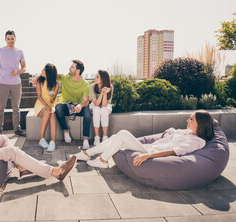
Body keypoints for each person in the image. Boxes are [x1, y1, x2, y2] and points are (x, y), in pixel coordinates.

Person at [73, 110, 214, 168]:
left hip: (151, 153)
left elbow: (174, 151)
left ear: (200, 124)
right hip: (150, 148)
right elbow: (174, 131)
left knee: (122, 134)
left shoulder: (197, 141)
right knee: (116, 137)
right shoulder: (187, 132)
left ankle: (102, 160)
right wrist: (169, 131)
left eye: (191, 119)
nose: (187, 120)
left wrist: (148, 155)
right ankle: (87, 154)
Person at [0, 30, 26, 137]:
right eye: (8, 39)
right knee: (0, 108)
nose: (10, 41)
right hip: (3, 83)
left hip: (16, 84)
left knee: (16, 108)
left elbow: (24, 68)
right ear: (5, 39)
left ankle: (17, 129)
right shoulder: (0, 50)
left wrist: (17, 71)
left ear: (15, 39)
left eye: (12, 38)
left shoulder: (19, 51)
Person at [55, 60, 91, 149]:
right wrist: (37, 77)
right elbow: (52, 74)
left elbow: (86, 102)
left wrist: (80, 105)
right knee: (58, 107)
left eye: (72, 67)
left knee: (87, 112)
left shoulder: (84, 84)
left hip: (77, 108)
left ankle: (86, 140)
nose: (69, 68)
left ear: (77, 71)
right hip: (66, 107)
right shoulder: (64, 78)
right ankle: (66, 132)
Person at [34, 64, 59, 152]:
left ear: (48, 73)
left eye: (44, 70)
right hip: (41, 104)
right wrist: (46, 105)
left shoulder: (56, 84)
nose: (42, 70)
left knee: (52, 115)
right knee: (48, 110)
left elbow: (52, 101)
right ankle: (41, 139)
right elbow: (39, 96)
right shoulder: (39, 81)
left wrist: (52, 97)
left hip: (50, 105)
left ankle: (53, 142)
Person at [89, 70, 114, 146]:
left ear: (103, 79)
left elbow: (104, 105)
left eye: (97, 77)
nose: (95, 78)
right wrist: (102, 93)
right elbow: (96, 104)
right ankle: (96, 137)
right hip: (94, 105)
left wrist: (105, 94)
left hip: (106, 106)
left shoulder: (110, 87)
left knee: (103, 110)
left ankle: (104, 137)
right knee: (96, 109)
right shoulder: (91, 87)